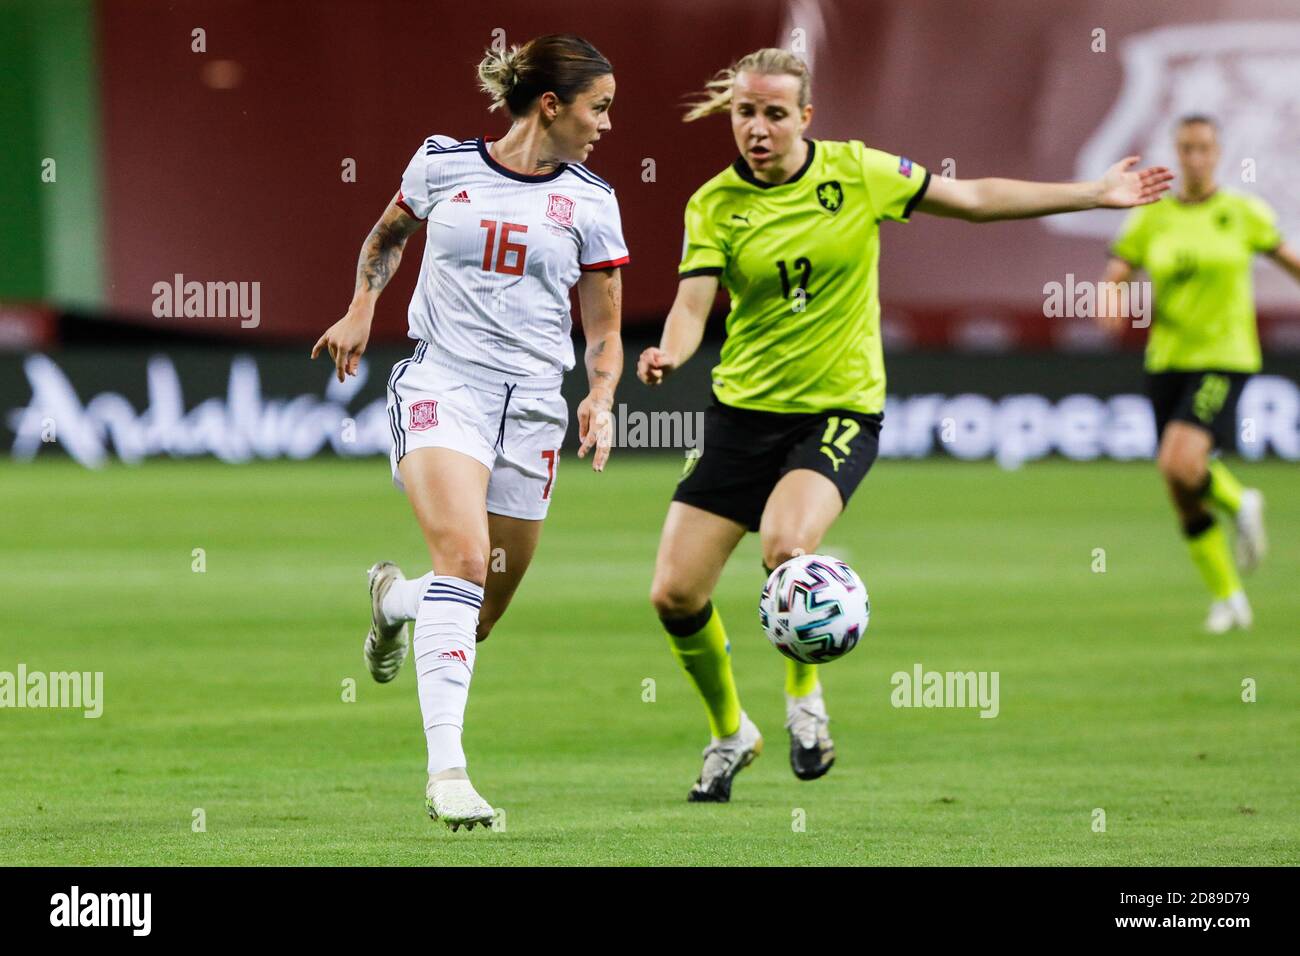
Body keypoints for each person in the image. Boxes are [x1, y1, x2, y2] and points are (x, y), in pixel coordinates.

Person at [638, 47, 1171, 802]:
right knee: (674, 595)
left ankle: (804, 702)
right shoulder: (713, 203)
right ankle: (731, 730)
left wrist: (1094, 193)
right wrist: (669, 351)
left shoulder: (856, 173)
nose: (757, 129)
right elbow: (693, 306)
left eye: (775, 114)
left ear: (806, 117)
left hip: (837, 409)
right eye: (746, 113)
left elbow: (975, 198)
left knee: (789, 550)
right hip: (740, 413)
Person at [311, 34, 628, 830]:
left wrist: (601, 393)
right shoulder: (442, 163)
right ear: (551, 106)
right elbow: (387, 238)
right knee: (460, 559)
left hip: (531, 408)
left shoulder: (591, 202)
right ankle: (447, 772)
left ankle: (394, 602)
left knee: (474, 609)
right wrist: (360, 307)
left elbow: (602, 325)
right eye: (599, 108)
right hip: (441, 383)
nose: (606, 125)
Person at [1098, 114, 1300, 633]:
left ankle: (1240, 499)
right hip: (1167, 360)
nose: (1194, 157)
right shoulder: (1152, 216)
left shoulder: (1243, 213)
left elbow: (1287, 258)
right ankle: (1230, 597)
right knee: (1179, 485)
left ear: (1218, 152)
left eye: (1203, 148)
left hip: (1224, 357)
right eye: (1185, 148)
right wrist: (1110, 298)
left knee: (1177, 459)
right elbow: (1118, 271)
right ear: (1176, 151)